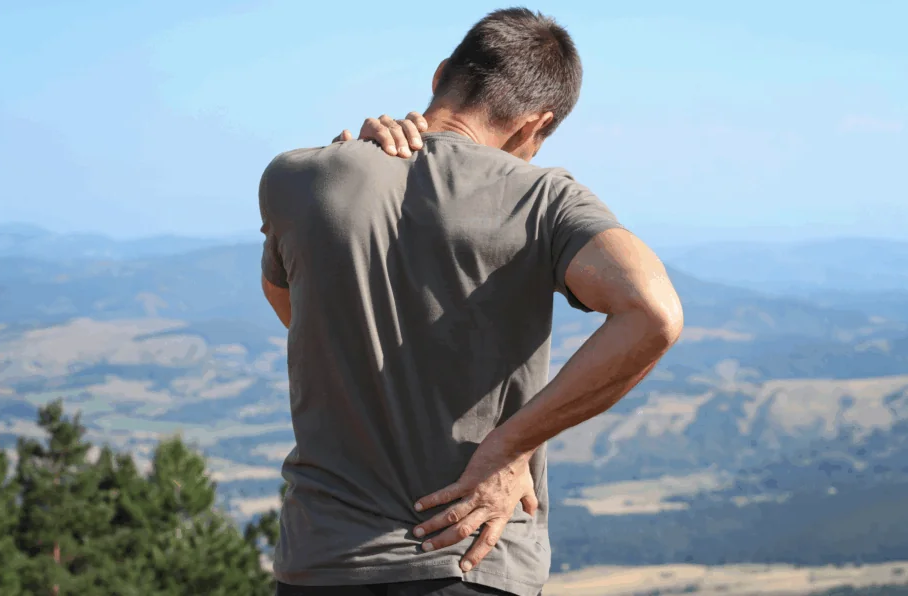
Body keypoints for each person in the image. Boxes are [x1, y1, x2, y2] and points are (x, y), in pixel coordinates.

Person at [259, 7, 684, 596]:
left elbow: (295, 309)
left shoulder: (294, 178)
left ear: (439, 77)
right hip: (470, 558)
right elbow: (654, 314)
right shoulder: (543, 199)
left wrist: (342, 165)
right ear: (538, 123)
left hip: (321, 563)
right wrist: (512, 445)